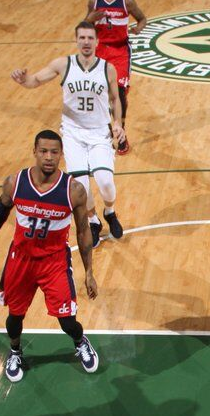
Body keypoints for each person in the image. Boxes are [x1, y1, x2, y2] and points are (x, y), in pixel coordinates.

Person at [0, 130, 100, 383]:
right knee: (15, 316)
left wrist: (89, 272)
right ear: (34, 151)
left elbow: (83, 230)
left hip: (54, 261)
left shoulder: (73, 190)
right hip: (20, 259)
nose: (49, 157)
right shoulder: (15, 183)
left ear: (61, 154)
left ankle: (80, 341)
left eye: (54, 152)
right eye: (43, 151)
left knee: (67, 321)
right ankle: (15, 352)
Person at [11, 21, 125, 248]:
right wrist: (24, 80)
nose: (86, 42)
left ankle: (110, 211)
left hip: (99, 132)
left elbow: (115, 99)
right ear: (76, 40)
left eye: (90, 38)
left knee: (105, 181)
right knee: (80, 186)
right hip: (73, 134)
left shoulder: (107, 68)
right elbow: (35, 80)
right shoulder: (63, 64)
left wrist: (118, 123)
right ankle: (93, 220)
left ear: (97, 41)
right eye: (82, 38)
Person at [86, 0, 146, 155]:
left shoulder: (127, 1)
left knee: (119, 94)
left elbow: (142, 18)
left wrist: (138, 28)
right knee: (101, 95)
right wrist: (90, 19)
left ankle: (121, 133)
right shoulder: (94, 1)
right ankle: (104, 131)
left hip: (120, 51)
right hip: (101, 50)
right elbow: (85, 25)